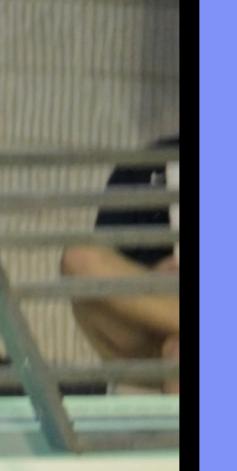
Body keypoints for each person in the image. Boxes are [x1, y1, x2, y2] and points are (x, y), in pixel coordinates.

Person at [62, 131, 181, 378]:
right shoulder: (147, 165)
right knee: (79, 258)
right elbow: (106, 273)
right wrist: (152, 278)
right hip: (150, 329)